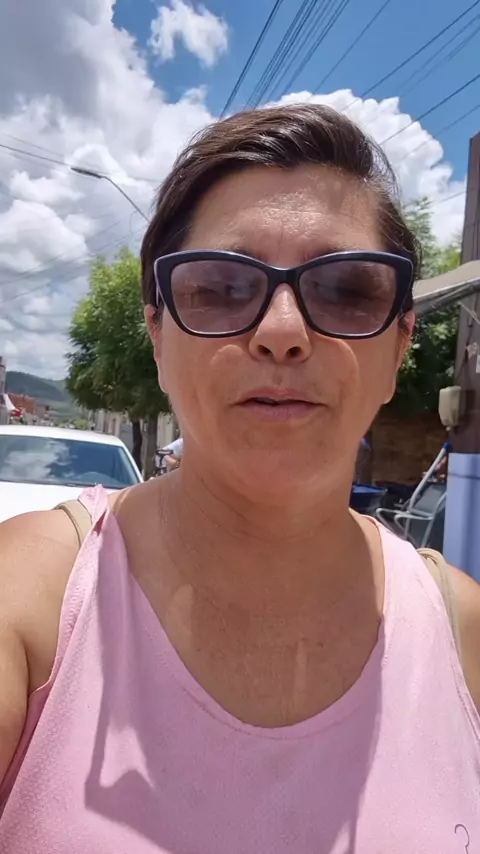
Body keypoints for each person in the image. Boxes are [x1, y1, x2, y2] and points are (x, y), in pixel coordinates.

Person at [1, 104, 479, 852]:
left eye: (346, 289)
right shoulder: (29, 604)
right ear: (158, 336)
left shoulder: (463, 634)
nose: (283, 332)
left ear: (399, 346)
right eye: (221, 287)